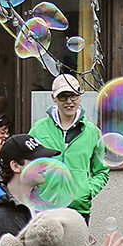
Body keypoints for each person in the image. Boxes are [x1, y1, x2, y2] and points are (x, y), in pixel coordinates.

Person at [30, 74, 108, 218]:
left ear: (80, 96)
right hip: (44, 209)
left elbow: (101, 171)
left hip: (78, 210)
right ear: (53, 98)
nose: (69, 101)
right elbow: (27, 165)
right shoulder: (38, 129)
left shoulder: (92, 132)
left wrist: (87, 192)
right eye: (63, 97)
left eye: (73, 96)